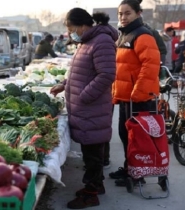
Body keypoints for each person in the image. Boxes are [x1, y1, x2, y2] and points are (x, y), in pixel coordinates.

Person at [50, 8, 117, 209]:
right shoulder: (86, 42)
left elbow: (106, 75)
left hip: (92, 107)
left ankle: (91, 194)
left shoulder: (101, 41)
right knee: (91, 151)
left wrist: (83, 95)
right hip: (87, 108)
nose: (70, 33)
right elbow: (80, 71)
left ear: (81, 25)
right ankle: (97, 185)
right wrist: (65, 84)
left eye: (71, 28)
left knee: (93, 152)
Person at [110, 0, 161, 186]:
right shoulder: (124, 35)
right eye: (120, 14)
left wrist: (138, 92)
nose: (123, 17)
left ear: (138, 13)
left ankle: (137, 175)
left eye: (127, 13)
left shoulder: (143, 35)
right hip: (127, 97)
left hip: (137, 98)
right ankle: (129, 168)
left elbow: (150, 67)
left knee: (137, 138)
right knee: (125, 135)